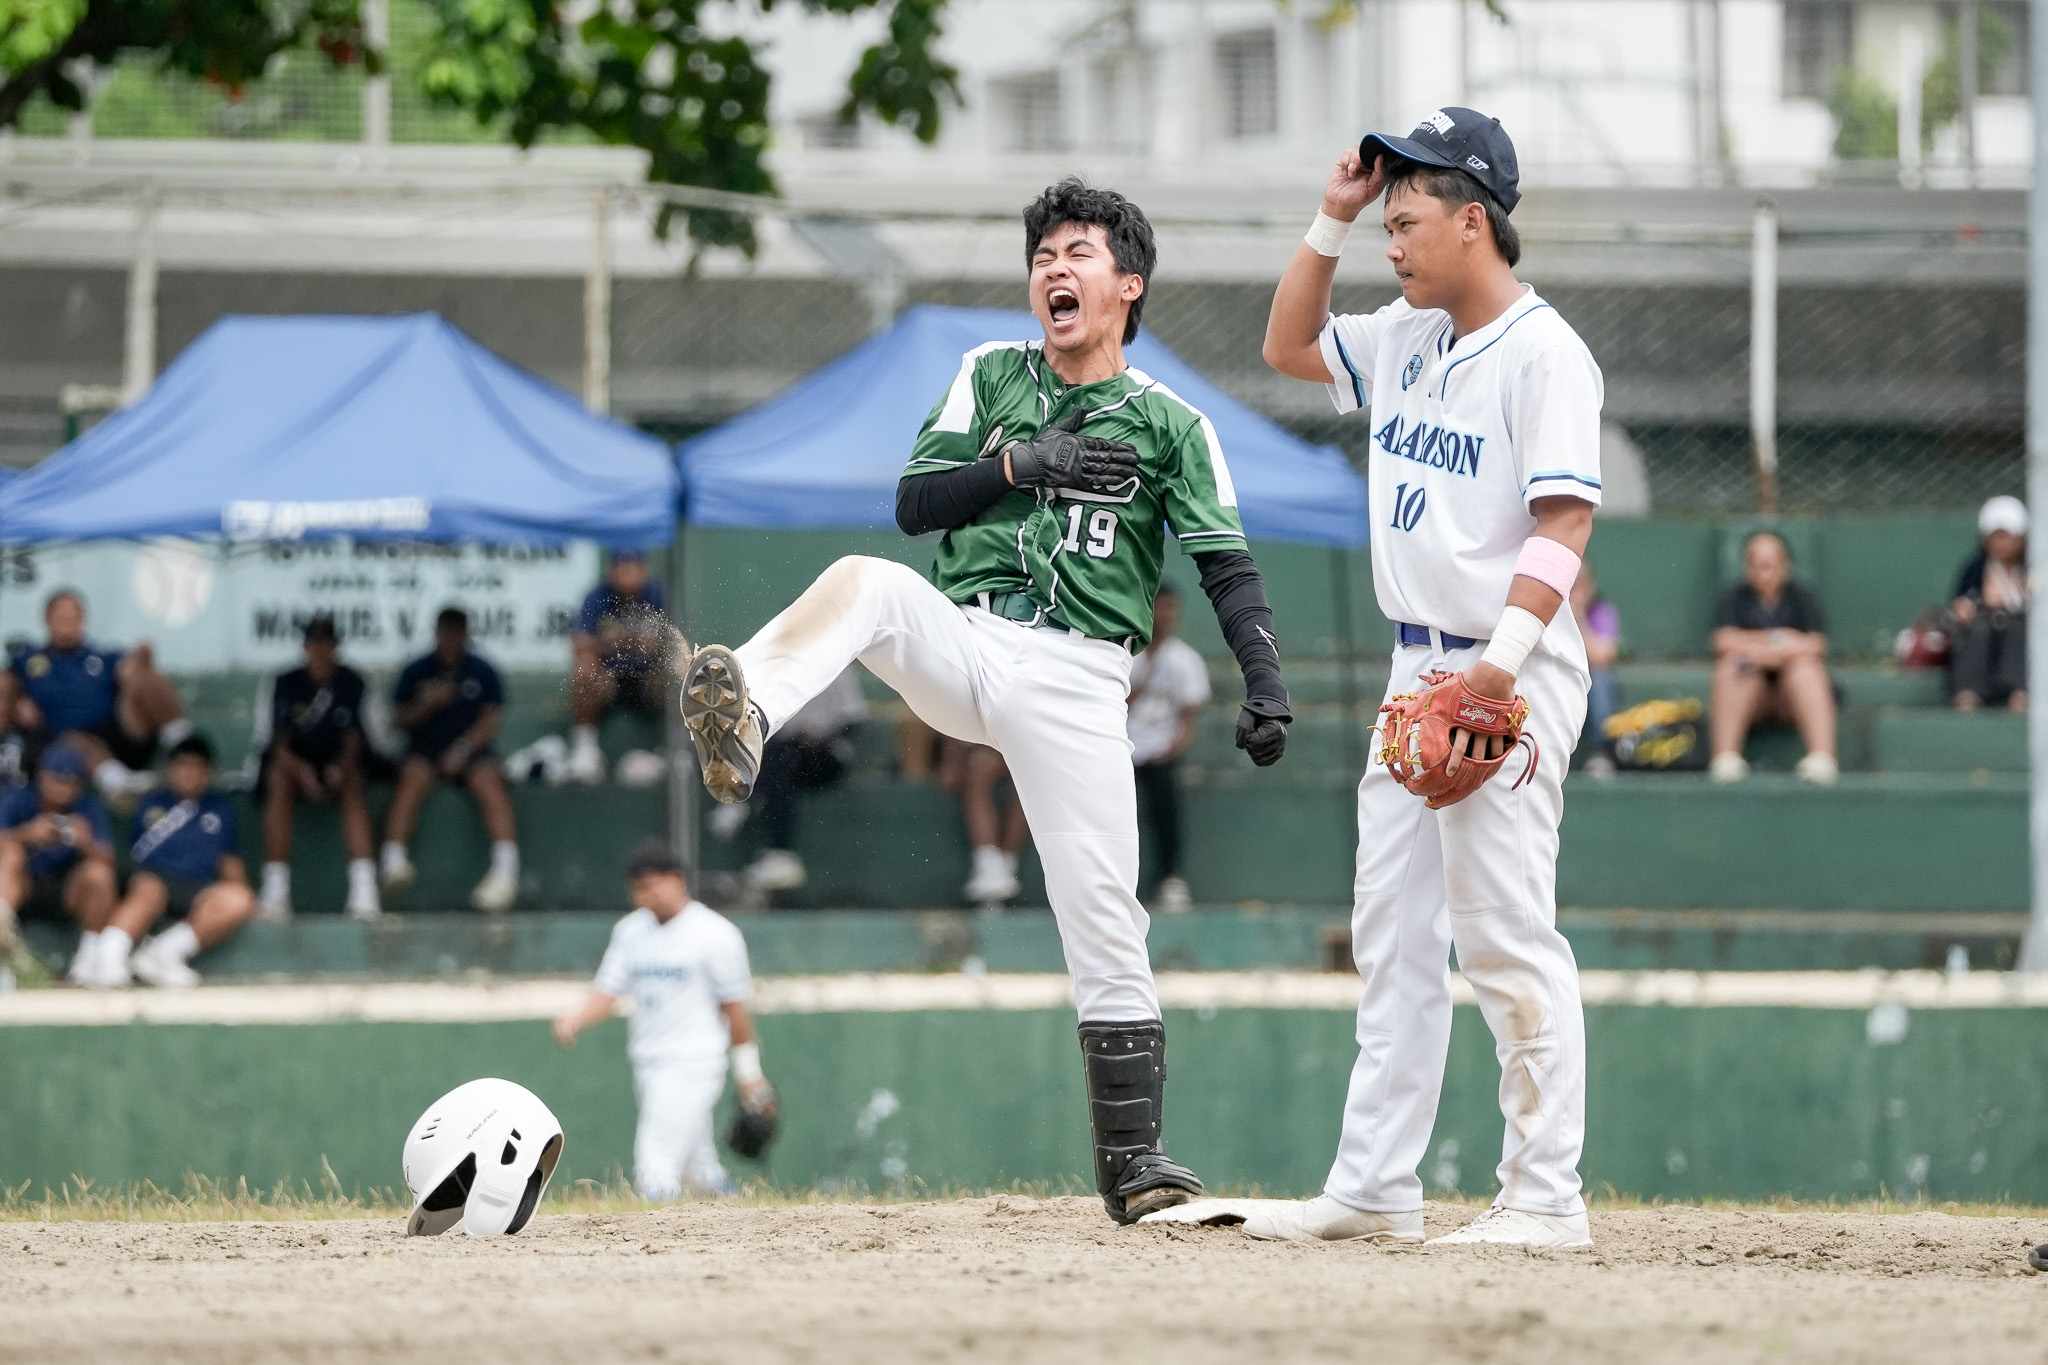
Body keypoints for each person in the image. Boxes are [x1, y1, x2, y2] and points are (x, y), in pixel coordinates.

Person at [672, 178, 1292, 1225]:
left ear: (1126, 283)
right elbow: (913, 506)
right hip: (967, 638)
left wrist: (1264, 677)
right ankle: (745, 712)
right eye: (1042, 253)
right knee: (864, 581)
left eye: (1079, 251)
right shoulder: (987, 373)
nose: (1053, 266)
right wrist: (1018, 462)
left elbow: (1223, 564)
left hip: (1081, 677)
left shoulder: (1173, 424)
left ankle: (1133, 1165)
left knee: (1100, 909)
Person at [1245, 108, 1599, 1249]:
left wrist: (1493, 679)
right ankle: (1373, 1186)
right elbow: (1288, 348)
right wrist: (1328, 217)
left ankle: (1544, 1198)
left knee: (1500, 935)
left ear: (1473, 220)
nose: (1389, 241)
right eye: (1383, 221)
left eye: (1405, 220)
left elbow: (1562, 525)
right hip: (1415, 669)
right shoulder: (1408, 333)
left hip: (1504, 664)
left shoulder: (1545, 352)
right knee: (1391, 937)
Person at [553, 843, 772, 1201]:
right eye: (638, 888)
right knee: (699, 1168)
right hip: (649, 1059)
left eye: (652, 885)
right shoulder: (630, 931)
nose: (645, 895)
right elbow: (608, 991)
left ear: (678, 880)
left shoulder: (716, 933)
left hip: (695, 1060)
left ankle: (653, 1234)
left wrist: (750, 1074)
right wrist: (576, 1018)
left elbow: (734, 1009)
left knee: (656, 1155)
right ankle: (740, 1212)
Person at [383, 607, 521, 912]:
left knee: (490, 778)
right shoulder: (417, 670)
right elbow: (398, 719)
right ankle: (393, 861)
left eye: (457, 633)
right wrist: (426, 704)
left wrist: (462, 748)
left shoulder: (481, 670)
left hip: (469, 751)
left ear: (466, 635)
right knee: (412, 776)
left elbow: (490, 720)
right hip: (425, 749)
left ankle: (505, 871)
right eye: (445, 633)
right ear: (436, 633)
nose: (450, 640)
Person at [96, 734, 257, 989]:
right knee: (150, 890)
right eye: (183, 765)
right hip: (150, 879)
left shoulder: (221, 809)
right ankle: (107, 959)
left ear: (208, 772)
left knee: (239, 898)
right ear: (171, 769)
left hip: (196, 888)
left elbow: (229, 860)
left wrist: (248, 897)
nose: (189, 773)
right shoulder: (150, 801)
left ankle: (162, 955)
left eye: (197, 767)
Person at [1, 589, 189, 803]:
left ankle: (182, 742)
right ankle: (119, 786)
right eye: (61, 616)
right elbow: (5, 681)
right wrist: (19, 701)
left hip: (121, 734)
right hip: (68, 742)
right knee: (76, 741)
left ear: (83, 620)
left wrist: (142, 660)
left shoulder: (104, 657)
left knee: (142, 670)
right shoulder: (28, 660)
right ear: (46, 619)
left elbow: (132, 671)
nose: (68, 621)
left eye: (74, 616)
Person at [255, 615, 378, 921]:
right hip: (294, 766)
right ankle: (275, 891)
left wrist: (339, 767)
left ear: (337, 645)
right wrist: (302, 772)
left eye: (326, 642)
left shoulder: (352, 681)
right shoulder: (284, 682)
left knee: (354, 781)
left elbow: (358, 736)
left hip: (340, 765)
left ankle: (365, 892)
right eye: (314, 642)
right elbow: (275, 741)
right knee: (277, 779)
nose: (320, 650)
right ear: (305, 645)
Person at [1709, 531, 1836, 784]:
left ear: (1784, 565)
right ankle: (1725, 759)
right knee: (1732, 667)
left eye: (1769, 564)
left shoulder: (1802, 596)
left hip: (1790, 698)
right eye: (1755, 564)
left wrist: (1768, 652)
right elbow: (1723, 640)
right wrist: (1777, 643)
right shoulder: (1734, 597)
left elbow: (1816, 644)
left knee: (1806, 670)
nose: (1763, 572)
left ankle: (1822, 759)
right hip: (1752, 699)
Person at [734, 666, 867, 894]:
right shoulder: (778, 670)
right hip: (784, 755)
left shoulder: (837, 668)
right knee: (778, 758)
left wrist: (820, 737)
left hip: (828, 754)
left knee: (780, 761)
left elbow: (854, 719)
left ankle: (747, 802)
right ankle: (780, 853)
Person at [0, 743, 115, 985]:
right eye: (57, 780)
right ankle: (2, 944)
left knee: (98, 872)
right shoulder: (18, 797)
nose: (63, 788)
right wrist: (27, 834)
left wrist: (85, 843)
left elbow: (107, 859)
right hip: (23, 885)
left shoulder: (88, 806)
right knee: (11, 853)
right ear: (42, 776)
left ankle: (89, 959)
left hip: (67, 889)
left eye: (70, 782)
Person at [1126, 585, 1210, 912]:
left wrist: (1173, 749)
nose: (1164, 616)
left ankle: (1170, 878)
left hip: (1160, 752)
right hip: (1120, 748)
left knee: (1165, 813)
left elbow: (1188, 717)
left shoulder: (1185, 659)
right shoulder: (1125, 655)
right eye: (1159, 607)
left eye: (1170, 608)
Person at [567, 550, 674, 784]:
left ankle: (673, 748)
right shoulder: (599, 596)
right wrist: (622, 642)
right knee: (585, 667)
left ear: (643, 571)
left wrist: (645, 643)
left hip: (648, 677)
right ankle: (584, 749)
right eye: (622, 569)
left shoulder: (657, 595)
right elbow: (580, 642)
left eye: (632, 568)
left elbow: (676, 642)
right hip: (611, 677)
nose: (627, 575)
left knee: (677, 673)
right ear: (612, 571)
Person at [1948, 495, 2028, 713]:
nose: (2002, 543)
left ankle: (2020, 693)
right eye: (1996, 536)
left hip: (2019, 633)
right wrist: (1964, 609)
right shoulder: (1975, 568)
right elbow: (1959, 603)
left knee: (2019, 629)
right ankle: (1968, 692)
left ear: (2021, 538)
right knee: (1978, 629)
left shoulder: (2032, 567)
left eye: (2007, 536)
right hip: (1983, 633)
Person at [944, 740, 1032, 906]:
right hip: (984, 749)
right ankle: (990, 865)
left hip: (1029, 748)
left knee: (1030, 776)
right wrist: (954, 759)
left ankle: (1005, 866)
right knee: (981, 765)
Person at [1571, 564, 1621, 776]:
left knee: (1600, 679)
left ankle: (1602, 753)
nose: (1576, 590)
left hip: (1586, 683)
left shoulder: (1602, 613)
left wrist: (1577, 617)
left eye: (1581, 584)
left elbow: (1601, 656)